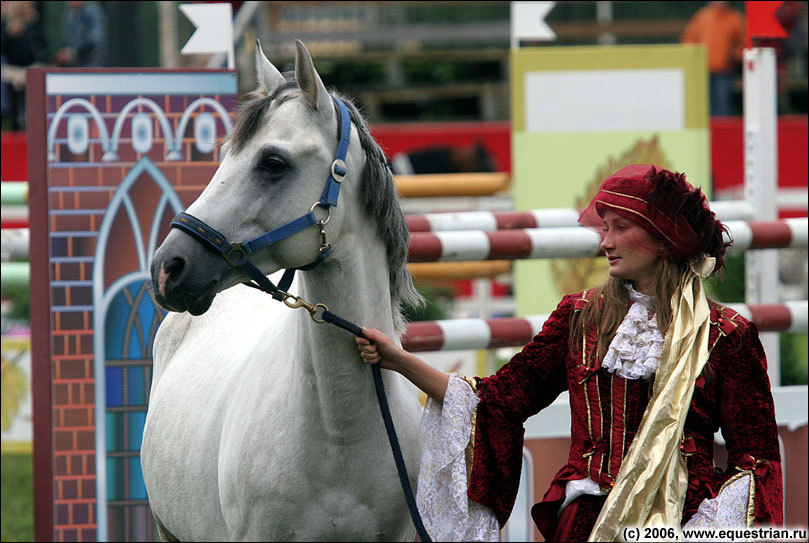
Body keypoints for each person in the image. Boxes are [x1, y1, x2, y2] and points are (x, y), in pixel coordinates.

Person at [356, 164, 783, 541]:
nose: (605, 242)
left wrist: (708, 530)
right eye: (605, 228)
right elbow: (496, 399)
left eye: (620, 228)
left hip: (687, 524)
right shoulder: (580, 317)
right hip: (585, 521)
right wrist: (398, 359)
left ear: (662, 238)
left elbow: (757, 459)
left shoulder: (727, 335)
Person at [681, 2, 746, 116]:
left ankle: (722, 133)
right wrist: (693, 57)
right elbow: (689, 38)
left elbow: (744, 43)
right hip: (702, 71)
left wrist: (734, 56)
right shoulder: (703, 16)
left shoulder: (735, 18)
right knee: (702, 107)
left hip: (724, 71)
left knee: (722, 107)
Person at [1, 1, 47, 129]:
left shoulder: (33, 23)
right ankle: (15, 128)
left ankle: (30, 130)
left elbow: (41, 43)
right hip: (12, 71)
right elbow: (4, 46)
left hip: (30, 69)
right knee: (14, 107)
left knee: (31, 106)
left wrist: (25, 31)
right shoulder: (8, 24)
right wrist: (9, 33)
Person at [54, 1, 106, 68]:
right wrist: (64, 52)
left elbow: (95, 40)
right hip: (73, 67)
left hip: (91, 65)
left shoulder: (93, 10)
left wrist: (74, 53)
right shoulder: (68, 12)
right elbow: (66, 39)